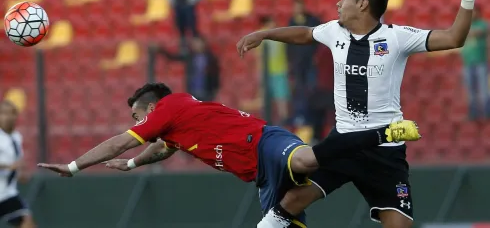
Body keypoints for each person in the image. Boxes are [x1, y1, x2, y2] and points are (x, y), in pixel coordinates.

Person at [236, 0, 488, 228]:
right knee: (292, 200)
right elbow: (305, 33)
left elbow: (454, 38)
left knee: (400, 225)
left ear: (363, 4)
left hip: (385, 149)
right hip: (343, 143)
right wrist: (264, 34)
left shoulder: (396, 37)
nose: (338, 2)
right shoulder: (335, 32)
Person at [37, 83, 420, 227]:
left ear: (151, 109)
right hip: (262, 176)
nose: (135, 123)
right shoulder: (174, 126)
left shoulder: (169, 107)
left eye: (137, 116)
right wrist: (135, 164)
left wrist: (74, 166)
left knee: (306, 161)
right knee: (281, 215)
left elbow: (122, 140)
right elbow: (162, 150)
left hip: (265, 141)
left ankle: (384, 133)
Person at [0, 101, 36, 228]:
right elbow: (12, 164)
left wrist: (20, 174)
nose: (8, 117)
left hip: (8, 193)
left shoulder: (16, 137)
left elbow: (18, 163)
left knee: (27, 222)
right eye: (4, 113)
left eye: (12, 113)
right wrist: (9, 167)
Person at [154, 36, 220, 102]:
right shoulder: (189, 56)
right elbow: (173, 57)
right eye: (194, 43)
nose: (196, 45)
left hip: (206, 91)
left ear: (204, 44)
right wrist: (161, 49)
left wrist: (215, 88)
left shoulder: (211, 58)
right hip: (192, 91)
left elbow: (215, 74)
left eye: (198, 43)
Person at [460, 5, 490, 119]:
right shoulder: (465, 25)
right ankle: (473, 112)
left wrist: (465, 31)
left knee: (483, 89)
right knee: (470, 90)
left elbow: (478, 32)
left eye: (474, 12)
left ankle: (487, 111)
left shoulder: (483, 24)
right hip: (467, 62)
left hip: (480, 61)